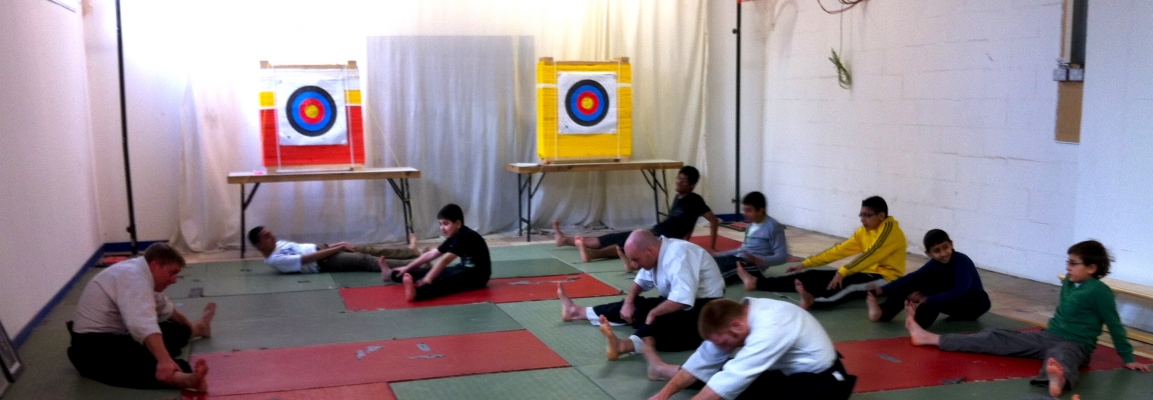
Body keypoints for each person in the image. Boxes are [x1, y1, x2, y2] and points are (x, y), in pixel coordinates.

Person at [904, 240, 1151, 398]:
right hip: (1047, 336)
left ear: (1092, 268)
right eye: (1068, 262)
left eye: (1073, 264)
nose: (1068, 267)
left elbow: (1114, 324)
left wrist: (1128, 358)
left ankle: (1057, 378)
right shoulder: (1069, 282)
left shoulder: (1100, 292)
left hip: (1077, 344)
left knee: (1062, 356)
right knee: (995, 337)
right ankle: (930, 338)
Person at [558, 230, 725, 381]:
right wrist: (629, 302)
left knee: (662, 321)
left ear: (649, 251)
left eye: (636, 260)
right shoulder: (655, 252)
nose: (634, 265)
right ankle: (577, 312)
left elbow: (682, 299)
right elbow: (641, 281)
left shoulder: (678, 256)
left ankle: (624, 345)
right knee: (639, 306)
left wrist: (653, 314)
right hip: (678, 302)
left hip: (707, 311)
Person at [67, 243, 213, 392]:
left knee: (167, 330)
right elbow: (141, 323)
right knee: (129, 362)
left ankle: (199, 328)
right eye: (172, 273)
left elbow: (163, 306)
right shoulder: (133, 278)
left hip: (122, 334)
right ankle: (186, 379)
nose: (175, 280)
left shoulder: (143, 269)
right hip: (92, 345)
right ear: (155, 265)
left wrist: (188, 325)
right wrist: (164, 361)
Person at [647, 298, 856, 400]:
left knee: (730, 385)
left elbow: (731, 379)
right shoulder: (737, 317)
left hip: (823, 381)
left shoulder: (770, 325)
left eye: (723, 343)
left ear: (736, 327)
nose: (722, 348)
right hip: (785, 373)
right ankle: (663, 373)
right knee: (726, 381)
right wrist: (663, 395)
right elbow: (702, 361)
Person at [735, 196, 905, 309]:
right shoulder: (864, 231)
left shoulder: (890, 231)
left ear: (881, 216)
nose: (862, 219)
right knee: (813, 276)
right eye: (861, 215)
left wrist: (843, 271)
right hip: (863, 272)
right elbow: (839, 251)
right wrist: (805, 263)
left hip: (886, 279)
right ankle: (756, 283)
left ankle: (814, 301)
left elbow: (872, 254)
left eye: (867, 215)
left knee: (847, 284)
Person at [552, 166, 720, 270]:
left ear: (692, 185)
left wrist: (711, 247)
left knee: (628, 245)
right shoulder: (678, 198)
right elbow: (688, 224)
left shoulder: (695, 200)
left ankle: (592, 254)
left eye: (684, 180)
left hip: (662, 239)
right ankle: (565, 240)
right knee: (614, 237)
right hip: (654, 232)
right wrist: (686, 240)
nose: (679, 182)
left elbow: (713, 220)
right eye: (678, 178)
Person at [866, 229, 990, 329]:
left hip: (974, 305)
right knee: (915, 282)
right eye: (937, 251)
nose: (943, 253)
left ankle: (917, 322)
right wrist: (883, 289)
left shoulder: (961, 261)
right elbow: (912, 277)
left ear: (951, 244)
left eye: (946, 247)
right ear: (929, 254)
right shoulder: (934, 263)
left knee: (934, 291)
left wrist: (927, 299)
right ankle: (883, 313)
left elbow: (960, 290)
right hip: (954, 300)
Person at [386, 204, 492, 302]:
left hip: (478, 276)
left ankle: (417, 293)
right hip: (463, 268)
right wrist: (407, 268)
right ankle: (392, 274)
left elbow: (445, 260)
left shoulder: (465, 236)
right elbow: (431, 254)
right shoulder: (453, 236)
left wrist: (428, 278)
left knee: (447, 281)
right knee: (431, 272)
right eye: (440, 224)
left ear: (458, 224)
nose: (442, 228)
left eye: (446, 224)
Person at [248, 226, 426, 280]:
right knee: (365, 260)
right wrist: (338, 249)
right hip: (322, 261)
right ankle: (416, 266)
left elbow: (312, 248)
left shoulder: (279, 245)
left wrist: (337, 244)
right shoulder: (276, 260)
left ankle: (410, 251)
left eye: (270, 233)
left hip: (322, 250)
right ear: (259, 244)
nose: (272, 236)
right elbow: (309, 258)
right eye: (267, 236)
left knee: (367, 249)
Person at [710, 191, 789, 281]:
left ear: (760, 211)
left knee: (716, 275)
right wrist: (718, 255)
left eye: (749, 210)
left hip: (752, 266)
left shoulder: (774, 227)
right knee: (711, 262)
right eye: (744, 210)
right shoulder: (751, 224)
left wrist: (761, 260)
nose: (744, 214)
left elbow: (783, 257)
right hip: (739, 258)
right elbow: (742, 249)